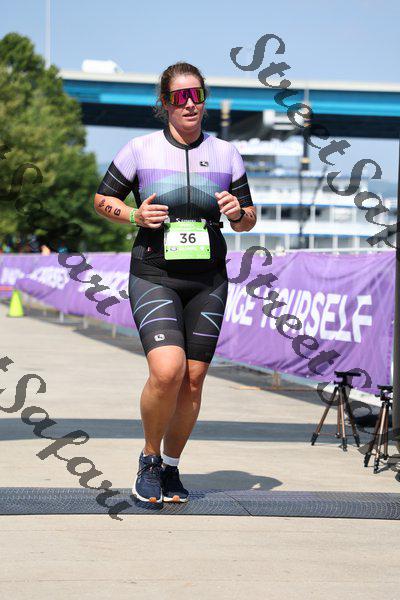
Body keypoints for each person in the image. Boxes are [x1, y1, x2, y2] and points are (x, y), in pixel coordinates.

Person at [94, 62, 256, 504]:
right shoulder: (139, 149)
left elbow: (247, 218)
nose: (190, 104)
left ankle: (170, 467)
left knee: (194, 379)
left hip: (208, 279)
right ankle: (149, 458)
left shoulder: (226, 153)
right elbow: (102, 198)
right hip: (155, 274)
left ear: (204, 99)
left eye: (197, 95)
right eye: (180, 97)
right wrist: (133, 214)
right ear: (165, 102)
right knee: (168, 371)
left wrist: (238, 212)